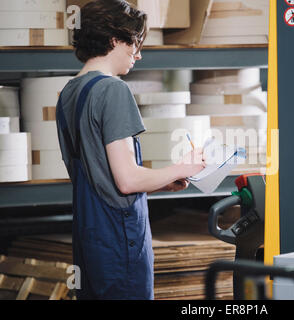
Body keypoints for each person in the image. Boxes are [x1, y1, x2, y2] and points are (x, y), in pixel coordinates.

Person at [55, 0, 205, 300]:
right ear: (114, 40)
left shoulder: (68, 93)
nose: (138, 54)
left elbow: (104, 178)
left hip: (90, 236)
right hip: (120, 240)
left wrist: (162, 181)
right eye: (134, 44)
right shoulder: (113, 90)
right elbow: (127, 181)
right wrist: (183, 167)